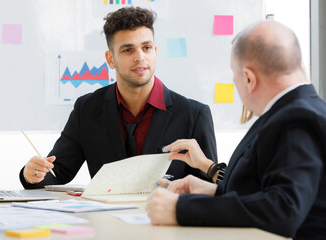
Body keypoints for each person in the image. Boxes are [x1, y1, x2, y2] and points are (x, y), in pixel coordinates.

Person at [146, 20, 326, 240]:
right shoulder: (300, 110)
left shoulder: (295, 120)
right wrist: (212, 191)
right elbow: (267, 190)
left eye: (233, 74)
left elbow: (284, 208)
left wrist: (181, 209)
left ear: (249, 78)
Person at [19, 7, 217, 188]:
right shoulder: (86, 109)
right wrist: (32, 174)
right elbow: (57, 172)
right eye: (128, 50)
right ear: (110, 59)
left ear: (155, 52)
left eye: (146, 47)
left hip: (165, 223)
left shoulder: (194, 114)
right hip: (106, 224)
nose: (140, 57)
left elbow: (210, 189)